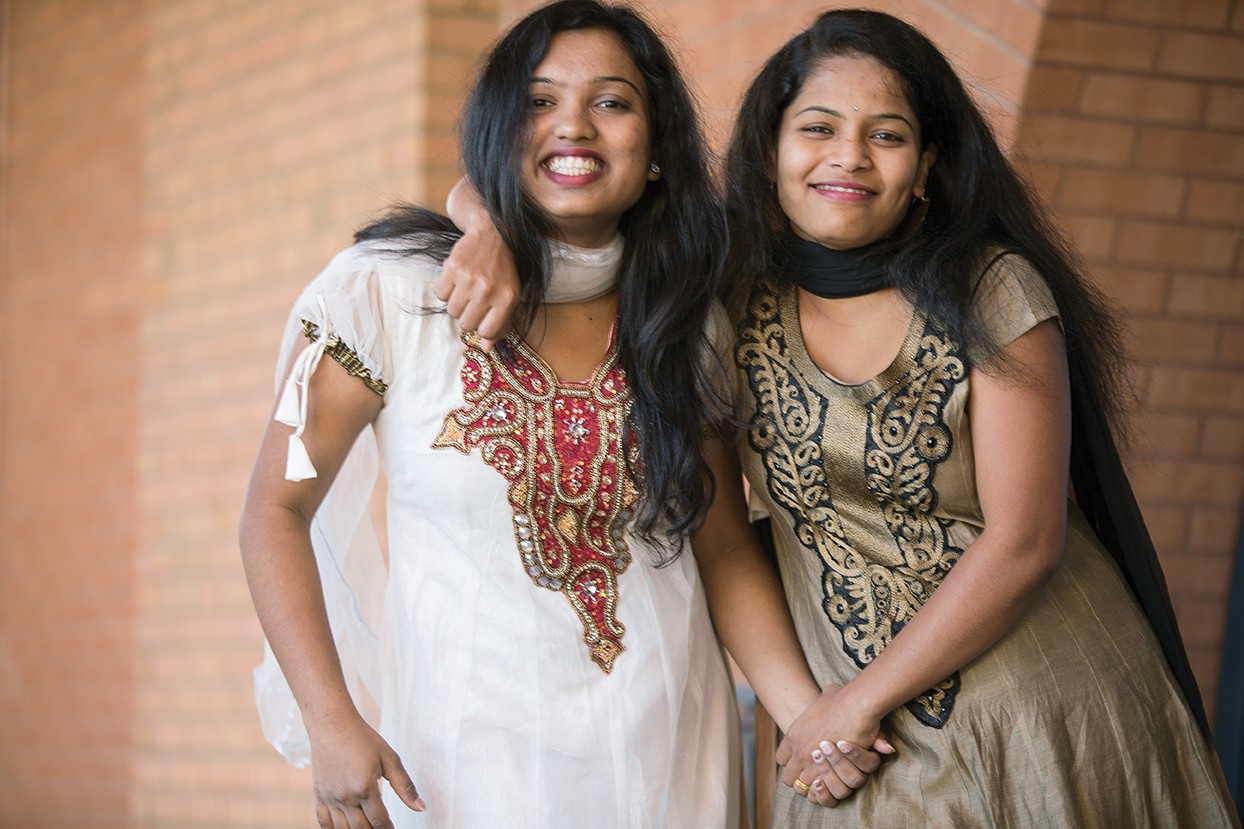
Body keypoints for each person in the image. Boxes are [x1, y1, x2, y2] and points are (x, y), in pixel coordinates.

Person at [438, 7, 1242, 828]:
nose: (848, 157)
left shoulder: (990, 287)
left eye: (887, 136)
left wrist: (852, 708)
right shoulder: (718, 290)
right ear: (770, 150)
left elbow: (1026, 541)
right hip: (840, 755)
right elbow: (719, 534)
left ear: (926, 164)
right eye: (817, 126)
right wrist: (487, 219)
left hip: (1039, 721)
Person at [235, 2, 820, 826]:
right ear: (498, 131)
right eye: (539, 102)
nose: (573, 126)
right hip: (467, 765)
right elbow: (274, 508)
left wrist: (811, 715)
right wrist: (333, 720)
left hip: (673, 763)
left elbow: (723, 548)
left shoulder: (686, 324)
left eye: (612, 102)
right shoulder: (390, 294)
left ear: (656, 152)